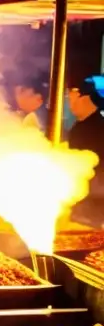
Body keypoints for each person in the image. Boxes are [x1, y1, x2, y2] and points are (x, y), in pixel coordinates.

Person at [67, 79, 104, 225]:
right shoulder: (80, 126)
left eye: (71, 97)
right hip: (82, 202)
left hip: (93, 207)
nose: (70, 104)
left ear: (85, 98)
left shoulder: (96, 128)